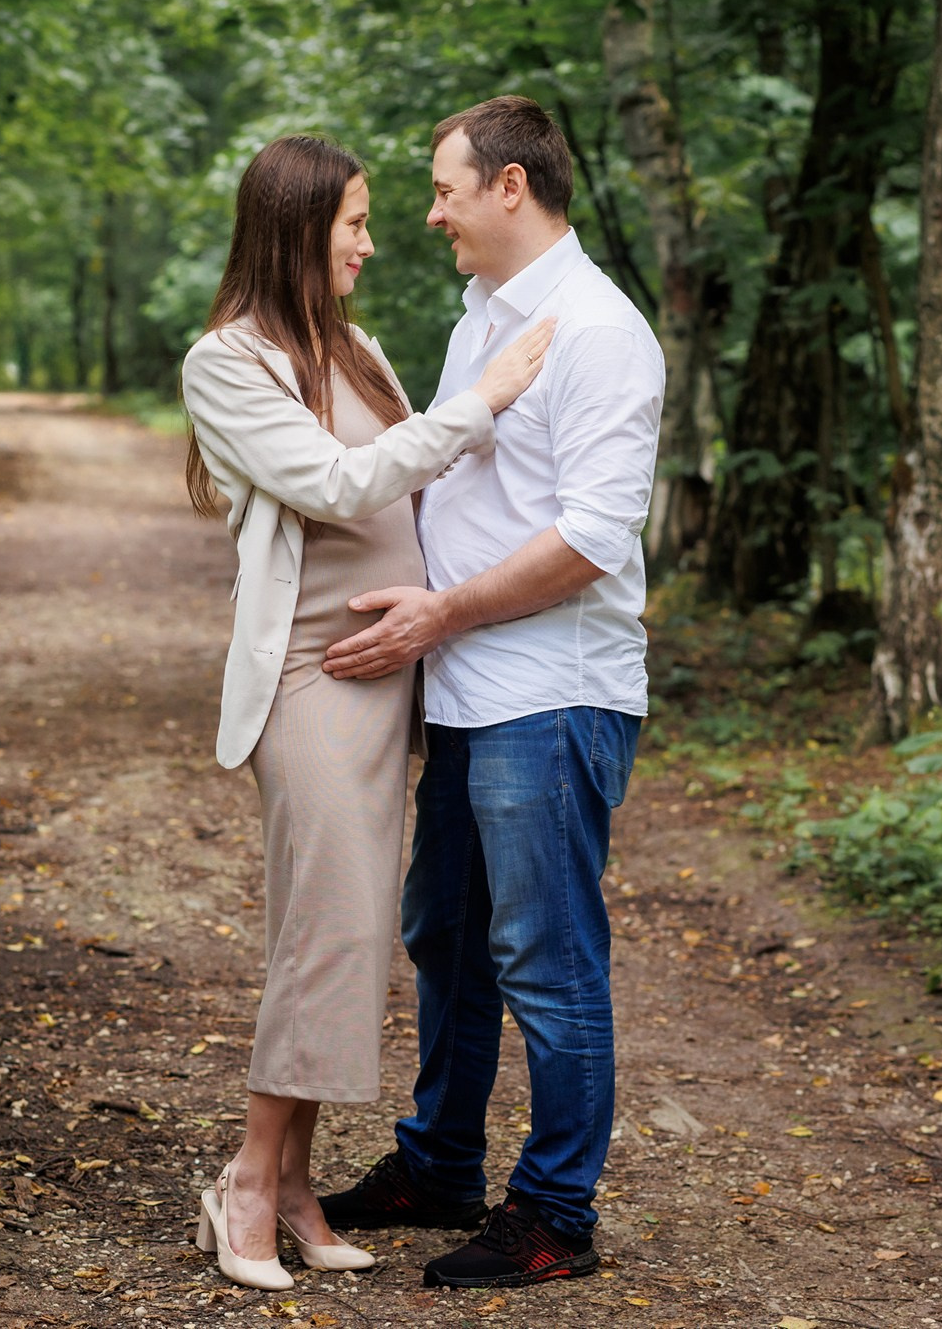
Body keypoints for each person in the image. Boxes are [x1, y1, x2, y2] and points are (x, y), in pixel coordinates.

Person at [179, 133, 557, 1293]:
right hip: (309, 675)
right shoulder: (226, 361)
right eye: (352, 222)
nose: (370, 242)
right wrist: (485, 397)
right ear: (298, 226)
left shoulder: (356, 349)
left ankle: (294, 1185)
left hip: (385, 678)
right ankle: (247, 1181)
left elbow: (420, 484)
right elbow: (339, 484)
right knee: (327, 929)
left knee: (344, 931)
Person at [314, 96, 663, 1289]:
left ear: (509, 186)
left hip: (549, 694)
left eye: (443, 190)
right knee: (446, 938)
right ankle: (439, 1165)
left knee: (545, 960)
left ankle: (555, 1214)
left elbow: (592, 540)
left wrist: (441, 612)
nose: (430, 215)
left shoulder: (599, 333)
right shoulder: (484, 318)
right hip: (466, 689)